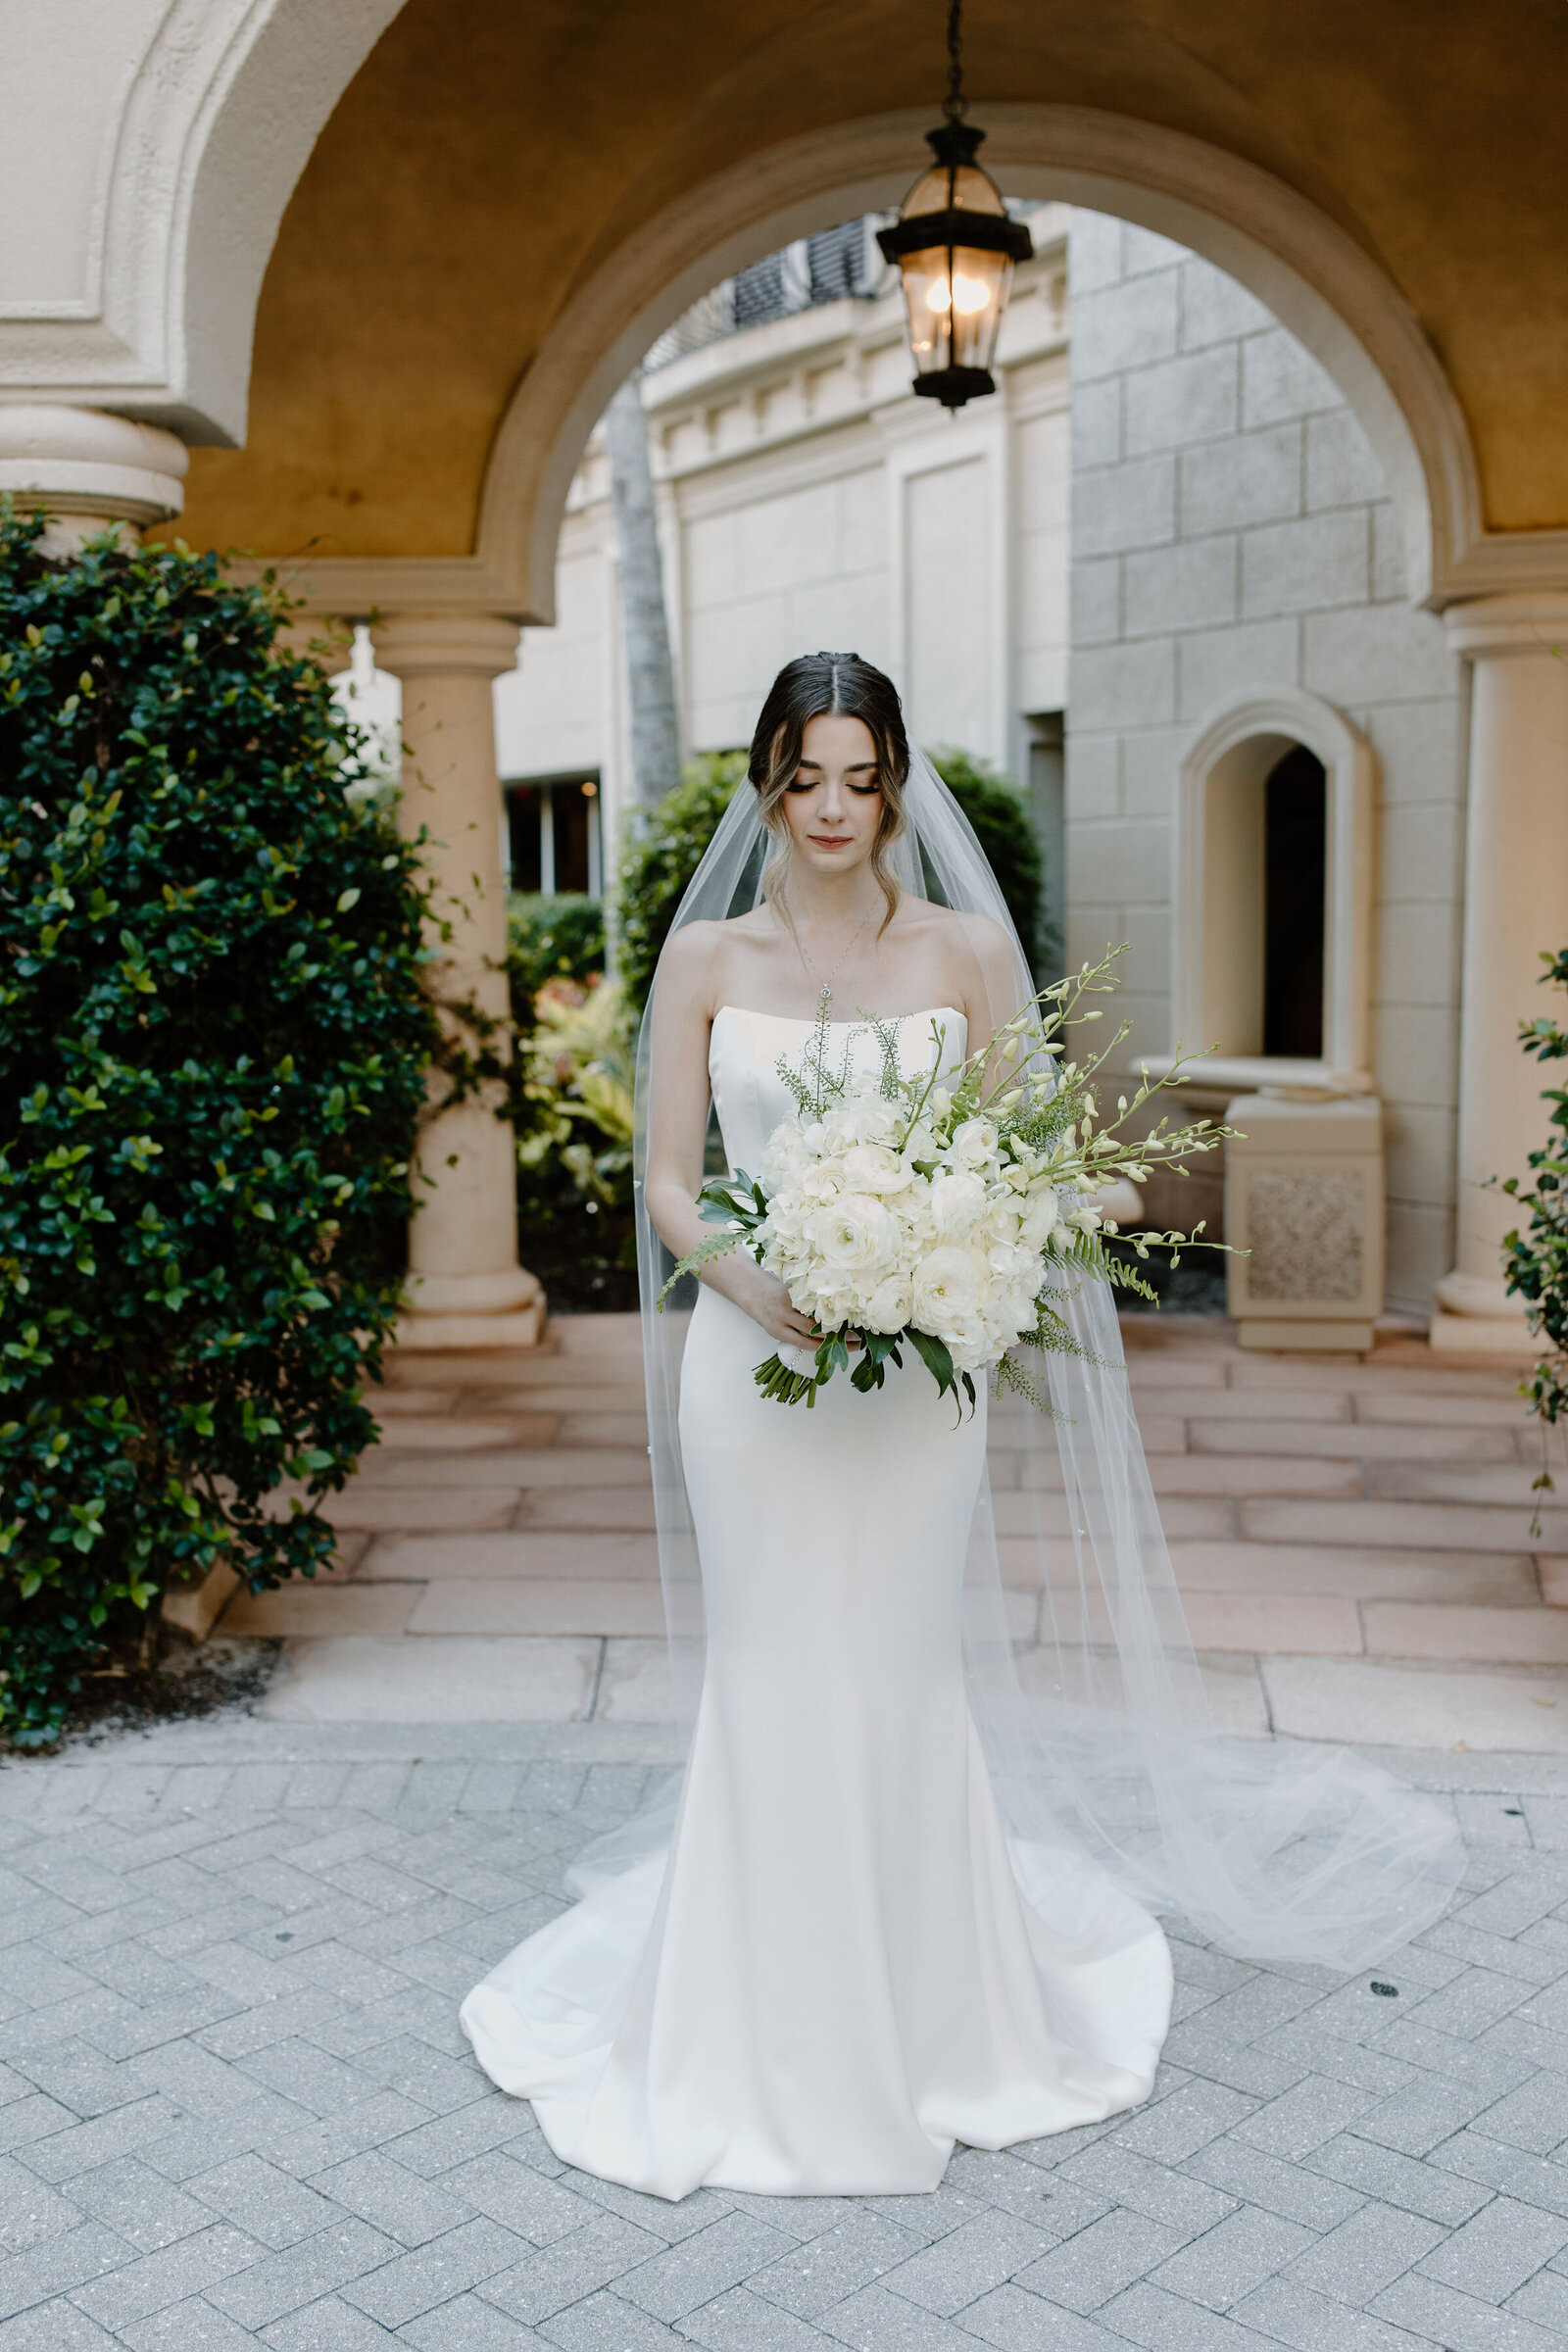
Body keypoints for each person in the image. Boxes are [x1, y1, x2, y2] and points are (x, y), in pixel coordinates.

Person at [460, 653, 1462, 2202]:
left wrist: (956, 1248)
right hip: (753, 1372)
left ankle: (932, 2011)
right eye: (807, 777)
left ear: (900, 780)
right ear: (766, 783)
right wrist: (747, 1274)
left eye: (864, 778)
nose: (836, 809)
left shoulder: (967, 953)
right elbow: (664, 1179)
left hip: (921, 1384)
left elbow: (1020, 1165)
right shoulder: (707, 960)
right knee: (776, 1673)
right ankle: (751, 2027)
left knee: (897, 1671)